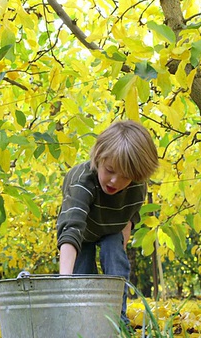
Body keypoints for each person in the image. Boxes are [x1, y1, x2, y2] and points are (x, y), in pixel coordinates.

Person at [56, 120, 159, 327]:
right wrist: (64, 282)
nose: (115, 181)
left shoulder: (137, 187)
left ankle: (116, 320)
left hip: (111, 228)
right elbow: (71, 228)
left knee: (115, 255)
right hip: (82, 231)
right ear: (99, 157)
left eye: (126, 177)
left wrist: (119, 251)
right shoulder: (82, 182)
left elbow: (128, 220)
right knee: (81, 273)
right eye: (110, 170)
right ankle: (84, 322)